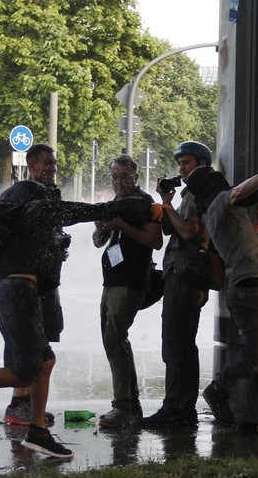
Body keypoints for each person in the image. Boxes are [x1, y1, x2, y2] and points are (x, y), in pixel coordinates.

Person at [0, 180, 156, 458]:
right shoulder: (37, 210)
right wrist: (140, 207)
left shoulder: (13, 236)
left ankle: (37, 432)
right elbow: (88, 211)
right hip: (18, 294)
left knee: (45, 360)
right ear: (35, 199)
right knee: (27, 371)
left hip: (9, 294)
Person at [185, 152, 258, 435]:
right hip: (250, 292)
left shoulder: (214, 213)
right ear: (212, 185)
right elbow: (241, 190)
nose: (220, 178)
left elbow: (238, 240)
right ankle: (217, 390)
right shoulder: (222, 201)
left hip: (255, 289)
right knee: (257, 357)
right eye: (214, 176)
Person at [141, 141, 214, 427]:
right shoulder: (188, 195)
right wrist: (166, 200)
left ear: (202, 164)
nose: (181, 168)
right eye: (179, 163)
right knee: (180, 343)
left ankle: (177, 408)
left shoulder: (197, 194)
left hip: (187, 274)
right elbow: (172, 228)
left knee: (177, 343)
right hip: (181, 273)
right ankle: (181, 407)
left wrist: (168, 205)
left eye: (187, 162)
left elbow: (190, 232)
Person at [92, 154, 162, 427]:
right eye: (113, 176)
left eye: (123, 176)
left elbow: (155, 240)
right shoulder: (114, 205)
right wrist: (101, 230)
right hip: (111, 280)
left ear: (135, 176)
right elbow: (100, 242)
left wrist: (124, 226)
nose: (118, 181)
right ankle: (130, 404)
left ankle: (124, 406)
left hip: (130, 280)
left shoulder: (143, 204)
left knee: (114, 338)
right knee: (115, 340)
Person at [2, 144, 66, 426]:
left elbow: (54, 229)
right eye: (46, 164)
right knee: (30, 344)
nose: (51, 169)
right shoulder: (20, 194)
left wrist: (58, 246)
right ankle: (19, 404)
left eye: (53, 164)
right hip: (28, 280)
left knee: (44, 338)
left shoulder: (53, 193)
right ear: (31, 165)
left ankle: (30, 405)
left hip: (47, 279)